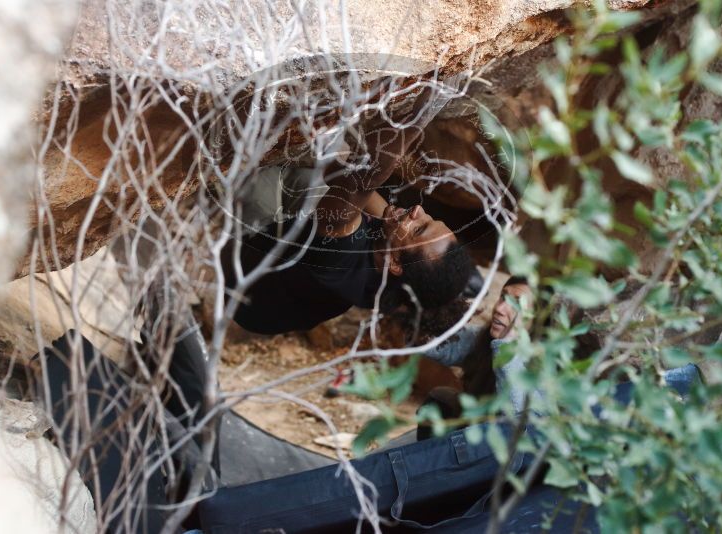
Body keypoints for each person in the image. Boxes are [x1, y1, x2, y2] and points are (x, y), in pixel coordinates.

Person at [225, 84, 475, 335]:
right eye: (430, 219)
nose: (418, 210)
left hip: (249, 286)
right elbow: (352, 179)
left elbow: (359, 182)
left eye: (419, 228)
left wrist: (422, 113)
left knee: (251, 170)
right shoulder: (393, 256)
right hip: (296, 263)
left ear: (396, 263)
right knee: (323, 181)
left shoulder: (342, 263)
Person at [417, 275, 537, 439]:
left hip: (501, 451)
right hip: (470, 431)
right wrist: (452, 311)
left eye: (516, 303)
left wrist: (506, 345)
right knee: (439, 398)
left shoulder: (541, 365)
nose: (500, 308)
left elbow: (518, 421)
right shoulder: (484, 338)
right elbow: (435, 343)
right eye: (503, 297)